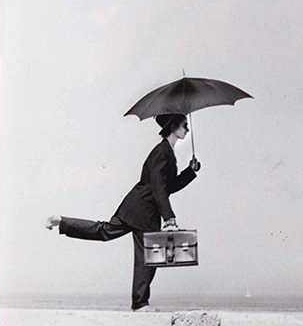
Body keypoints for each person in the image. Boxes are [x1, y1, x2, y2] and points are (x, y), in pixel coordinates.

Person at [46, 114, 201, 311]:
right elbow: (158, 188)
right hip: (143, 209)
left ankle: (62, 221)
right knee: (147, 256)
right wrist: (169, 218)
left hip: (136, 207)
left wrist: (190, 171)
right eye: (184, 125)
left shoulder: (167, 152)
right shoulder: (162, 152)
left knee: (105, 232)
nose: (187, 129)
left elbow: (168, 187)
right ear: (173, 126)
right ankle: (140, 303)